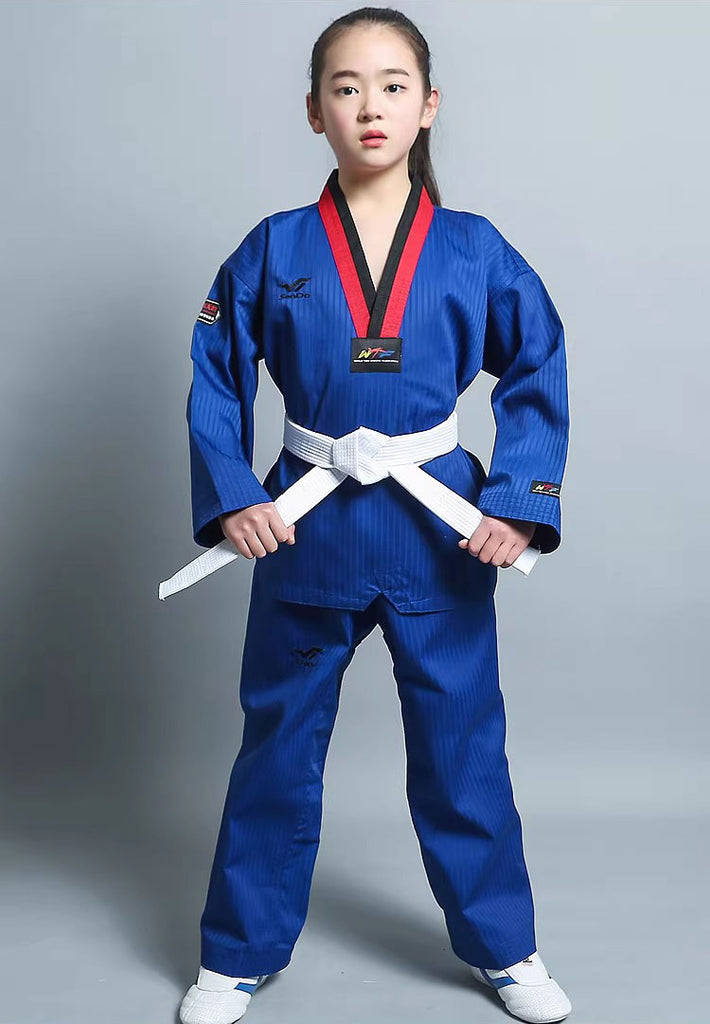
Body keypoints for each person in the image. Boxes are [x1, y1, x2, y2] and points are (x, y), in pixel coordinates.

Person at [175, 7, 571, 1023]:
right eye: (344, 88)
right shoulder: (275, 247)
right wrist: (234, 495)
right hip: (306, 527)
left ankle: (505, 947)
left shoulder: (474, 249)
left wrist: (518, 503)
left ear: (428, 105)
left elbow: (537, 363)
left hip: (437, 530)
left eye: (393, 86)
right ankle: (237, 951)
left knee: (461, 748)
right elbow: (216, 374)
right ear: (314, 111)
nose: (369, 107)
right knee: (277, 745)